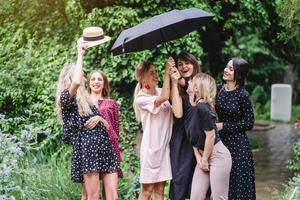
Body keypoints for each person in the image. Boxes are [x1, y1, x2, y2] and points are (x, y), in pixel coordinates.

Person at [56, 42, 120, 200]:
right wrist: (80, 53)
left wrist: (101, 119)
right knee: (93, 196)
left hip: (104, 147)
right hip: (88, 148)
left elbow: (106, 124)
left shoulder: (87, 101)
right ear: (70, 78)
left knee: (113, 196)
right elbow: (77, 82)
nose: (84, 78)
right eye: (81, 74)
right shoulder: (66, 99)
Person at [133, 58, 178, 200]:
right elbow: (164, 97)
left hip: (164, 149)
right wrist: (166, 72)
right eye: (152, 72)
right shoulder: (141, 98)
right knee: (147, 191)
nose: (156, 75)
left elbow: (175, 104)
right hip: (151, 151)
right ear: (142, 77)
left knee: (159, 191)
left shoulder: (160, 90)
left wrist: (173, 76)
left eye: (156, 71)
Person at [184, 73, 232, 200]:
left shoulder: (203, 108)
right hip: (203, 154)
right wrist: (198, 156)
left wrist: (204, 159)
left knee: (218, 197)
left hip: (217, 155)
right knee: (195, 196)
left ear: (197, 88)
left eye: (192, 81)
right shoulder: (192, 107)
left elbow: (210, 136)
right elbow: (193, 136)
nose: (188, 82)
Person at [215, 58, 256, 200]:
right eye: (226, 67)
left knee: (238, 184)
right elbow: (199, 88)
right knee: (221, 184)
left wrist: (224, 125)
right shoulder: (219, 89)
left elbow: (249, 123)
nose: (226, 70)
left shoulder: (243, 95)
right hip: (220, 142)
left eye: (231, 69)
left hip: (238, 146)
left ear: (238, 73)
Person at [85, 70, 123, 199]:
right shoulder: (83, 103)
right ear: (88, 83)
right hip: (89, 151)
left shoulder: (111, 103)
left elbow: (114, 130)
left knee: (112, 195)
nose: (96, 82)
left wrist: (101, 119)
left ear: (104, 83)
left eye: (99, 79)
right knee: (89, 195)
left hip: (109, 149)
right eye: (93, 79)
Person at [169, 52, 201, 200]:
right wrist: (175, 83)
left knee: (202, 186)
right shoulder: (175, 88)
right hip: (181, 140)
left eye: (187, 62)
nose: (183, 66)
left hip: (200, 138)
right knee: (180, 183)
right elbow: (178, 113)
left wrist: (183, 81)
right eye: (180, 64)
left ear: (194, 64)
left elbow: (202, 96)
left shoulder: (203, 82)